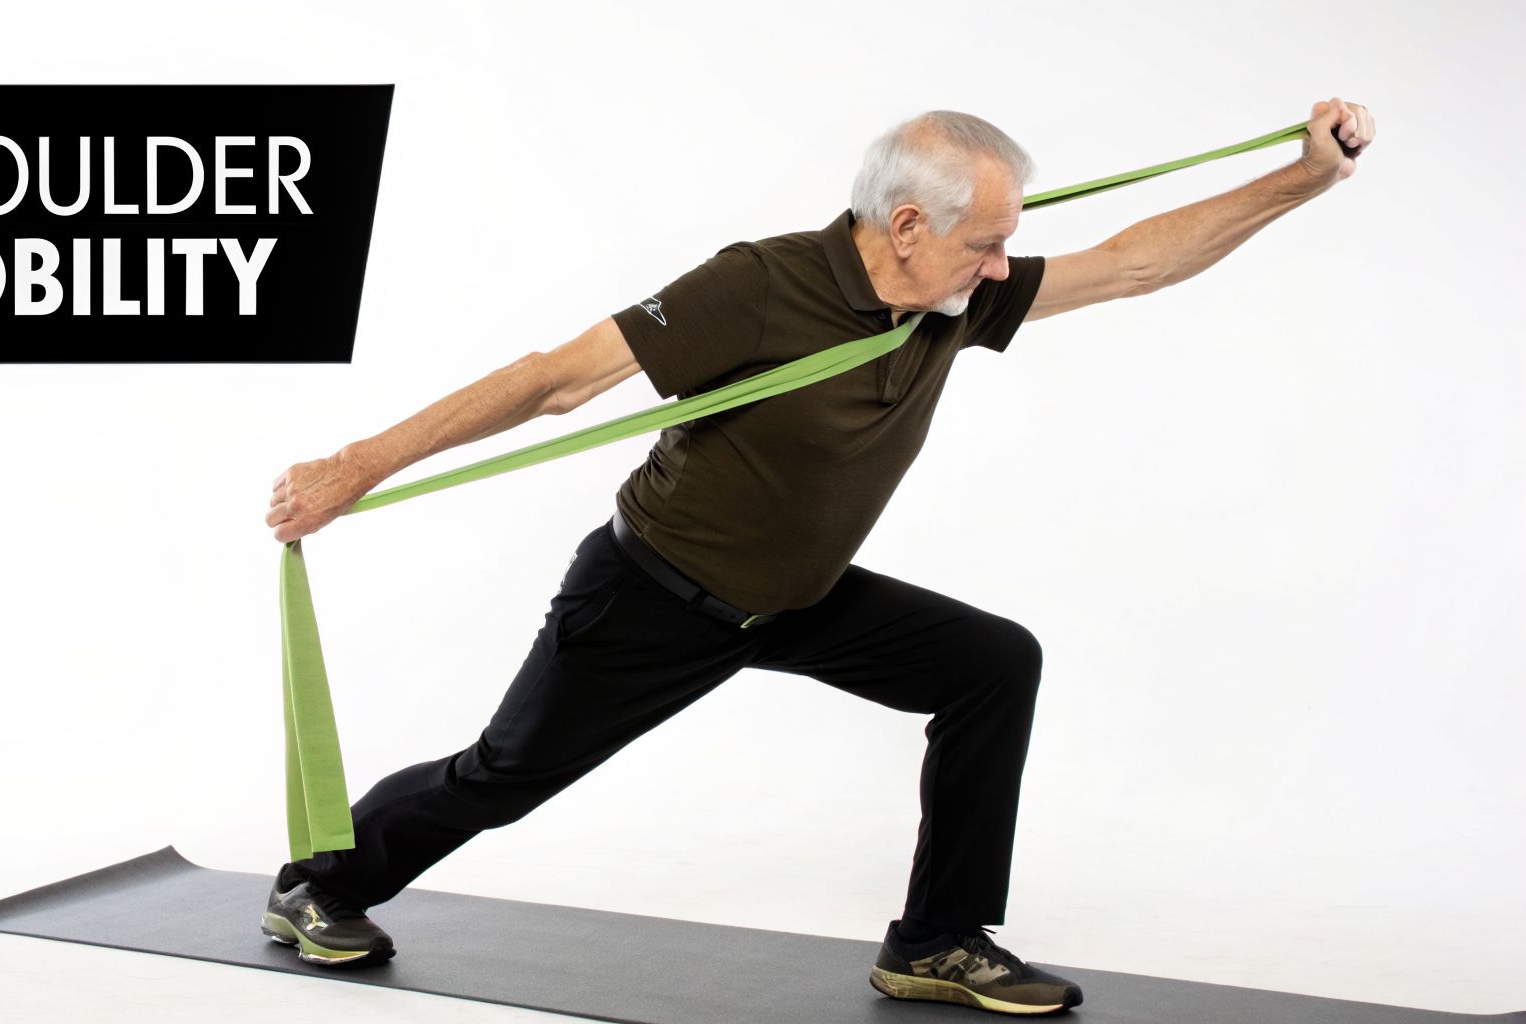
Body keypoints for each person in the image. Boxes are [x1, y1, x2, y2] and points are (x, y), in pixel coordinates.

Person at [261, 98, 1375, 1015]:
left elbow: (1130, 265)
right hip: (654, 594)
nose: (1000, 269)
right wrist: (356, 462)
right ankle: (322, 883)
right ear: (903, 227)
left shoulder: (950, 299)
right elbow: (556, 378)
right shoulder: (756, 285)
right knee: (500, 777)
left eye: (1002, 241)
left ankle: (936, 939)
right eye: (984, 242)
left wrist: (1301, 181)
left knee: (991, 663)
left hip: (794, 596)